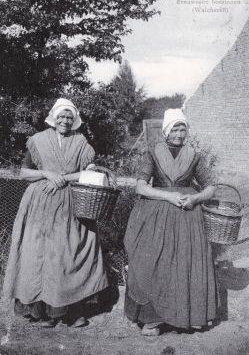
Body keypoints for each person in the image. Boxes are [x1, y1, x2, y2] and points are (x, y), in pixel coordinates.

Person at [3, 98, 108, 328]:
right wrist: (47, 174)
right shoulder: (38, 140)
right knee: (39, 254)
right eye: (61, 116)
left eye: (69, 117)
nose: (65, 120)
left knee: (67, 253)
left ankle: (69, 311)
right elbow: (23, 172)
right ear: (53, 117)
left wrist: (63, 179)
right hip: (39, 203)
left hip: (70, 202)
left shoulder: (81, 142)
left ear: (75, 120)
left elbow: (87, 173)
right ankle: (42, 312)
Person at [124, 108, 218, 336]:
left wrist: (194, 198)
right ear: (166, 131)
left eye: (182, 128)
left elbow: (211, 187)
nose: (178, 133)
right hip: (156, 215)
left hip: (187, 217)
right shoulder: (153, 153)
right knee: (153, 262)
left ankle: (187, 317)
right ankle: (152, 320)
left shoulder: (194, 155)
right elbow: (141, 186)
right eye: (174, 128)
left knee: (185, 264)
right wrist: (168, 196)